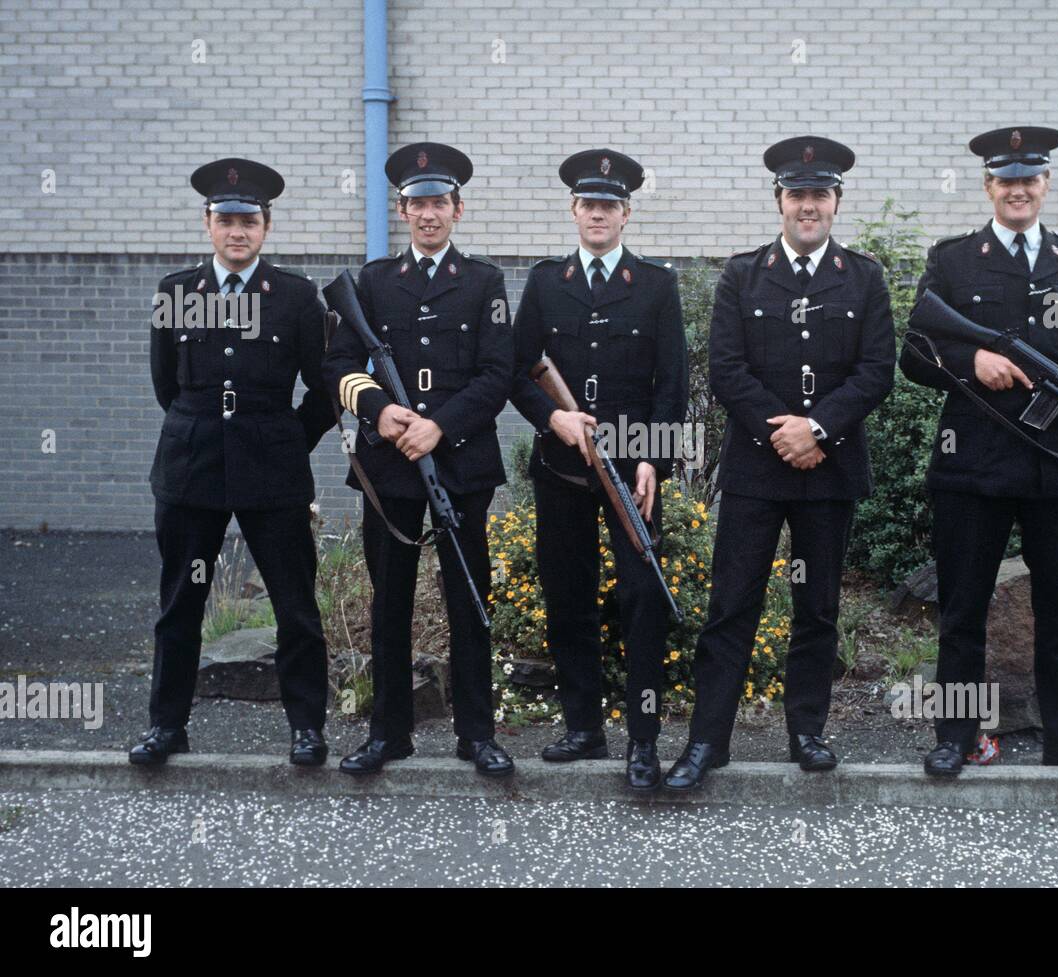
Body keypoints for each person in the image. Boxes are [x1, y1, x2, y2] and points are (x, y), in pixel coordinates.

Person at [664, 137, 895, 792]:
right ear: (779, 202)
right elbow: (729, 369)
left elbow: (876, 371)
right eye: (797, 195)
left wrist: (817, 427)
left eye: (819, 195)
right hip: (757, 472)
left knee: (817, 607)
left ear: (836, 202)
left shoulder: (865, 277)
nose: (808, 206)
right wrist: (785, 434)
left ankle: (807, 732)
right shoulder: (743, 275)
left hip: (830, 466)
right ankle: (708, 740)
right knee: (731, 605)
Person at [898, 126, 1058, 777]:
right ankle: (957, 737)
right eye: (1007, 179)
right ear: (988, 186)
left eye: (1030, 179)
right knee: (963, 610)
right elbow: (915, 353)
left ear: (1046, 184)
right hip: (974, 465)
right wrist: (972, 360)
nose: (1018, 189)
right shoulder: (953, 260)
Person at [322, 143, 515, 776]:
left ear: (458, 209)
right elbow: (339, 365)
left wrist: (438, 428)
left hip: (458, 463)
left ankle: (477, 734)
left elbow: (497, 374)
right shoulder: (373, 284)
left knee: (468, 596)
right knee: (390, 601)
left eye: (439, 203)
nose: (428, 215)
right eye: (416, 204)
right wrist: (380, 411)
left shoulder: (484, 281)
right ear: (402, 211)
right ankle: (389, 734)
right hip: (390, 467)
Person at [135, 158, 334, 766]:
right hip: (192, 469)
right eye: (225, 219)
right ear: (207, 224)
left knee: (294, 605)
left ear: (266, 226)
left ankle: (306, 728)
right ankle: (167, 727)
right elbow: (166, 383)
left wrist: (284, 439)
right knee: (179, 607)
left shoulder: (298, 297)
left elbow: (324, 391)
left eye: (248, 220)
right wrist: (203, 429)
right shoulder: (175, 292)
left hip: (271, 471)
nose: (236, 231)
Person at [509, 149, 687, 792]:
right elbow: (515, 365)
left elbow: (674, 381)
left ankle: (643, 739)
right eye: (589, 205)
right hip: (562, 466)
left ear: (626, 214)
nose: (598, 215)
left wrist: (652, 459)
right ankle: (584, 727)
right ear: (575, 211)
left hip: (629, 469)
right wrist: (550, 418)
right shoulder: (545, 281)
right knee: (567, 596)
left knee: (641, 600)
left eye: (609, 206)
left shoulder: (657, 284)